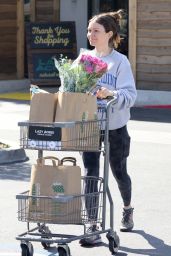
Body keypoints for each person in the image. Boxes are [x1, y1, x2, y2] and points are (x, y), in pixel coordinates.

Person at [79, 10, 137, 246]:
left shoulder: (120, 61)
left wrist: (110, 93)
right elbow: (71, 86)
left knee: (119, 171)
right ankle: (92, 224)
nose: (90, 34)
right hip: (90, 124)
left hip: (115, 125)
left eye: (96, 31)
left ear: (109, 34)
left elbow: (130, 94)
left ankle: (127, 207)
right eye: (89, 30)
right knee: (91, 172)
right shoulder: (83, 59)